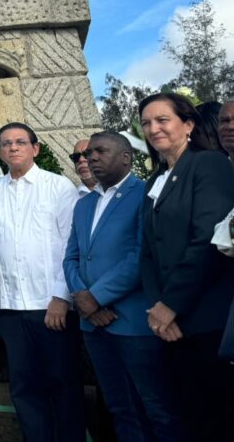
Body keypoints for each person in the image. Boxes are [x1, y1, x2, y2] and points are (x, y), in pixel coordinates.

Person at [63, 131, 183, 440]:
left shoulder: (145, 194)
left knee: (158, 408)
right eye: (88, 153)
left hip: (132, 322)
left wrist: (98, 297)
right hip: (94, 326)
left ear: (126, 157)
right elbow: (72, 257)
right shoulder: (83, 204)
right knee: (119, 408)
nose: (91, 158)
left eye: (100, 151)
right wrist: (84, 302)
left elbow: (140, 255)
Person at [0, 122, 84, 442]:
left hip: (50, 306)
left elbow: (71, 244)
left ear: (35, 148)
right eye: (6, 143)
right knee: (24, 388)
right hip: (9, 308)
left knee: (63, 385)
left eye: (20, 142)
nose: (13, 148)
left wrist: (61, 296)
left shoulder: (58, 186)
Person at [138, 92, 234, 439]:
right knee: (191, 417)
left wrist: (172, 305)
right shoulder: (156, 179)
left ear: (188, 124)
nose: (153, 128)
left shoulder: (209, 165)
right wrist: (157, 309)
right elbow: (147, 251)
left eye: (163, 120)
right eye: (147, 122)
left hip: (208, 319)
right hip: (169, 325)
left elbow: (208, 239)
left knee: (220, 418)